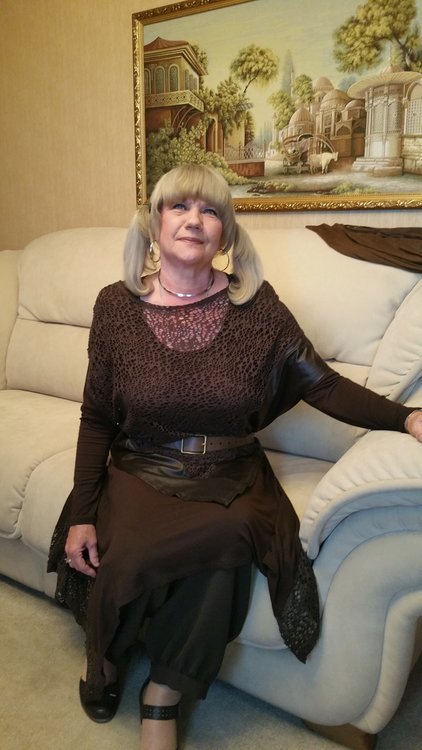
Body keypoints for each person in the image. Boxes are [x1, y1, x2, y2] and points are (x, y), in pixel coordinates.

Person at [48, 163, 422, 750]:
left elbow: (322, 384)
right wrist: (82, 514)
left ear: (225, 230)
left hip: (229, 472)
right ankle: (107, 656)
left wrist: (406, 417)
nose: (194, 220)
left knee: (229, 536)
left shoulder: (257, 306)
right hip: (142, 465)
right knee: (127, 554)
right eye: (179, 206)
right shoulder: (115, 306)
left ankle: (164, 694)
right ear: (154, 222)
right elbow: (96, 416)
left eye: (211, 210)